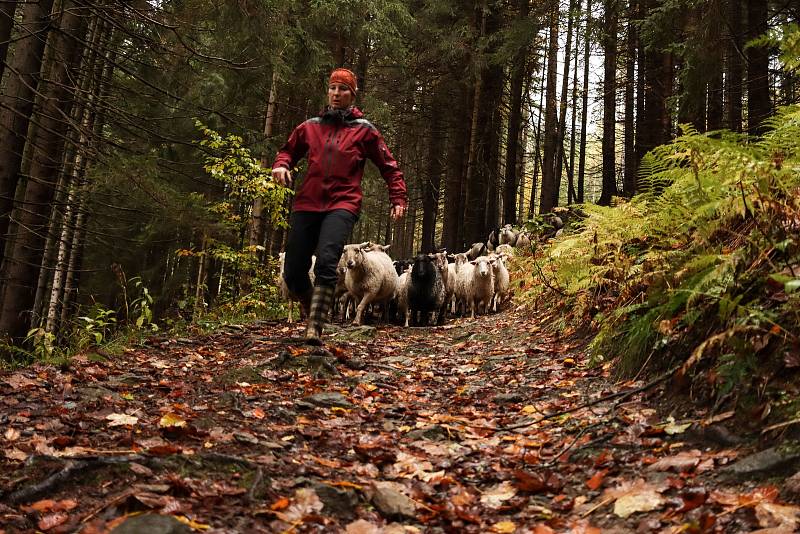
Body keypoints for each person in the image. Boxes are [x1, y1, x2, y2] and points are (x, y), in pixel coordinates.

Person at [272, 68, 407, 343]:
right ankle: (313, 309)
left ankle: (315, 328)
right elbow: (287, 151)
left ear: (352, 95)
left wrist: (398, 197)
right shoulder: (310, 126)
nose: (336, 94)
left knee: (327, 261)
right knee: (294, 269)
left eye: (343, 89)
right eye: (333, 88)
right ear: (328, 92)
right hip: (307, 202)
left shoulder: (365, 131)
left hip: (343, 203)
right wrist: (281, 165)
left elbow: (389, 167)